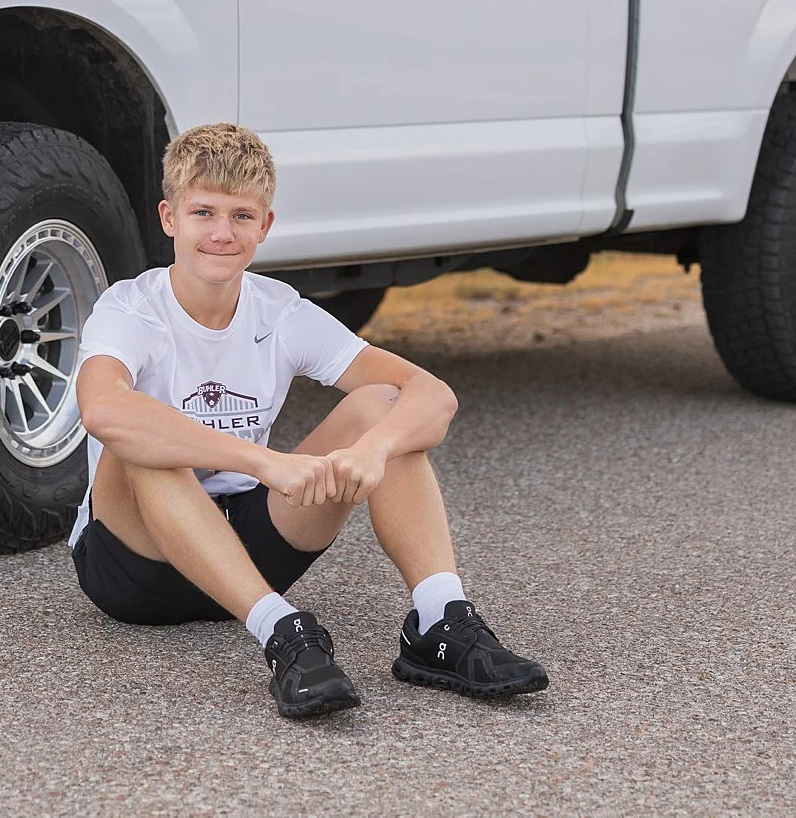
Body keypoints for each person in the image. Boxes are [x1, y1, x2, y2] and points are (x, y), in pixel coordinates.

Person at [71, 122, 549, 718]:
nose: (222, 233)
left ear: (265, 226)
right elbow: (102, 410)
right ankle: (283, 633)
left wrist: (374, 451)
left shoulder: (282, 311)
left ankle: (439, 621)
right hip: (136, 565)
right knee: (140, 436)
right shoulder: (130, 309)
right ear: (169, 218)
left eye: (242, 216)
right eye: (204, 213)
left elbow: (432, 395)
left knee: (383, 406)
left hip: (249, 544)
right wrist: (265, 462)